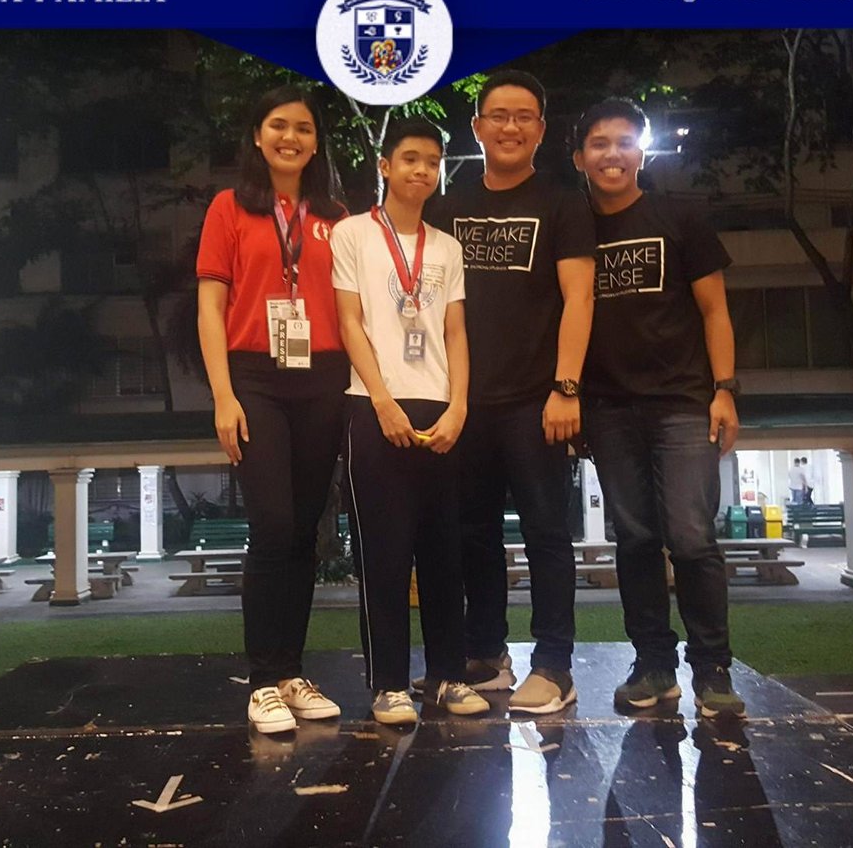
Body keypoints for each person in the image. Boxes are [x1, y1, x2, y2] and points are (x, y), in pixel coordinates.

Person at [426, 71, 597, 714]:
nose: (510, 127)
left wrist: (566, 387)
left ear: (541, 130)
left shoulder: (563, 205)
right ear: (478, 128)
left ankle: (553, 665)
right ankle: (486, 654)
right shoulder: (447, 208)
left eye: (524, 116)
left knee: (547, 533)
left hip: (536, 400)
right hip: (464, 402)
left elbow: (580, 298)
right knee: (473, 534)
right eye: (498, 115)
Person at [572, 98, 746, 718]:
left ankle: (713, 669)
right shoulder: (573, 229)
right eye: (599, 143)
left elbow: (715, 311)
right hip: (608, 408)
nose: (612, 154)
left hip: (682, 403)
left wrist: (725, 389)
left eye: (624, 142)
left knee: (692, 538)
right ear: (579, 158)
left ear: (641, 153)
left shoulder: (680, 217)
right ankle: (653, 664)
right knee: (636, 539)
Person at [196, 86, 350, 734]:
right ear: (258, 137)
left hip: (324, 376)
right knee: (273, 524)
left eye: (304, 128)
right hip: (255, 377)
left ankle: (291, 673)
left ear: (316, 143)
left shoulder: (337, 215)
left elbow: (353, 308)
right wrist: (223, 395)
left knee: (305, 531)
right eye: (279, 126)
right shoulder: (229, 208)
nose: (291, 137)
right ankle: (262, 682)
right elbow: (211, 306)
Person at [332, 117, 488, 725]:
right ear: (385, 166)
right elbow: (350, 322)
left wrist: (460, 406)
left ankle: (447, 676)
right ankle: (390, 685)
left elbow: (457, 331)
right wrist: (381, 400)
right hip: (374, 406)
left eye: (432, 161)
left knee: (445, 553)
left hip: (441, 412)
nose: (422, 170)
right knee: (386, 555)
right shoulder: (352, 234)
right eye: (410, 159)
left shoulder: (446, 247)